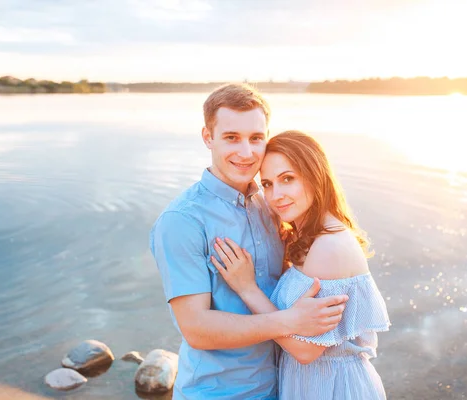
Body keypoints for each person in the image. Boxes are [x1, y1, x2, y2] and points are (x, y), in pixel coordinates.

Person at [149, 84, 349, 400]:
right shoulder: (182, 221)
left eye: (256, 138)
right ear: (207, 137)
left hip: (282, 385)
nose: (246, 153)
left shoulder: (271, 205)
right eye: (232, 138)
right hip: (219, 393)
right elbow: (196, 329)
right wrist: (289, 321)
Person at [211, 130, 391, 399]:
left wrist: (247, 288)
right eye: (268, 184)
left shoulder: (329, 247)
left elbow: (306, 351)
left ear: (315, 176)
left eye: (288, 179)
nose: (276, 195)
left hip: (332, 387)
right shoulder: (313, 236)